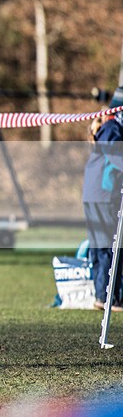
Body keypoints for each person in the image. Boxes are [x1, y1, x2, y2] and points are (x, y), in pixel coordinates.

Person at [82, 93, 123, 311]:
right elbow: (117, 157)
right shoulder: (112, 129)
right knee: (109, 245)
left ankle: (101, 294)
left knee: (100, 245)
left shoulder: (108, 128)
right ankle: (109, 297)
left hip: (93, 194)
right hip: (103, 195)